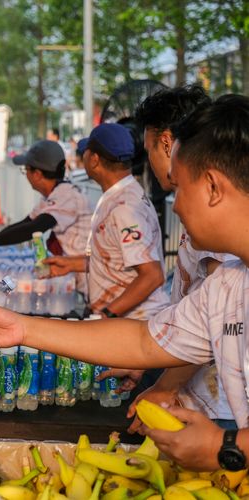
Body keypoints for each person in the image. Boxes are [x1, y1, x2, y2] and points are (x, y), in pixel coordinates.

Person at [0, 95, 249, 471]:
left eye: (181, 189)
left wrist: (226, 446)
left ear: (213, 188)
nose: (175, 206)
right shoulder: (227, 287)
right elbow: (144, 341)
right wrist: (22, 329)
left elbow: (149, 283)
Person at [101, 85, 237, 429]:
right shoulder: (207, 220)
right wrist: (153, 362)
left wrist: (165, 386)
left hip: (217, 407)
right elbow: (188, 322)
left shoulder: (215, 225)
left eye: (149, 148)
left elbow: (212, 324)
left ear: (166, 143)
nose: (175, 207)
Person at [46, 123, 170, 319]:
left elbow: (152, 275)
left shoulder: (124, 208)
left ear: (94, 159)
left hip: (132, 322)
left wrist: (107, 315)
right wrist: (70, 264)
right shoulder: (119, 195)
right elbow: (116, 258)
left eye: (85, 152)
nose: (82, 156)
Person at [0, 140, 92, 293]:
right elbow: (26, 223)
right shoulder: (55, 194)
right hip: (75, 277)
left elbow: (34, 228)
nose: (26, 175)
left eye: (26, 170)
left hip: (90, 281)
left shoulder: (67, 196)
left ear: (37, 174)